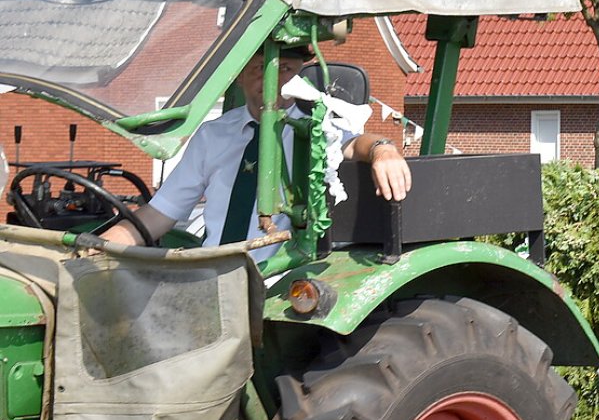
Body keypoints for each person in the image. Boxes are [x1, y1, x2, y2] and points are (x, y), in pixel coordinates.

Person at [102, 45, 411, 261]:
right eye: (260, 69)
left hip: (278, 277)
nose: (272, 79)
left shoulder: (315, 131)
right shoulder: (213, 135)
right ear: (239, 75)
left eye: (285, 69)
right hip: (213, 267)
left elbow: (354, 143)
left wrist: (382, 149)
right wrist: (101, 247)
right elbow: (161, 212)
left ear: (300, 74)